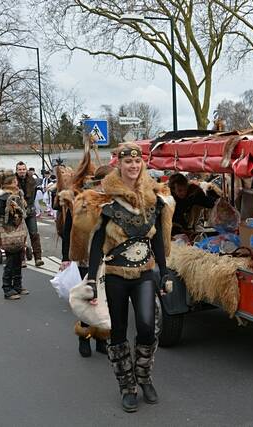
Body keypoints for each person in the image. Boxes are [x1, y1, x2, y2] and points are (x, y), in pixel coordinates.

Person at [87, 142, 174, 413]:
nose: (133, 167)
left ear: (142, 164)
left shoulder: (153, 198)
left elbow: (158, 238)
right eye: (128, 162)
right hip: (115, 275)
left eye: (137, 162)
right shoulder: (106, 201)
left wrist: (164, 270)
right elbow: (96, 242)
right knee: (120, 330)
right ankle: (127, 386)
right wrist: (91, 279)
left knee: (148, 328)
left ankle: (144, 377)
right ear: (119, 165)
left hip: (145, 272)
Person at [58, 161, 112, 358]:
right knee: (89, 298)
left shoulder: (115, 200)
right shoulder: (83, 201)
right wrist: (66, 257)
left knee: (105, 301)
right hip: (87, 258)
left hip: (109, 259)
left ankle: (102, 338)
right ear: (101, 181)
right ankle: (84, 337)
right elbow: (69, 230)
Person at [0, 171, 29, 300]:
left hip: (17, 232)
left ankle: (17, 286)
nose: (17, 183)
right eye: (15, 181)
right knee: (10, 261)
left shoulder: (17, 195)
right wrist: (12, 211)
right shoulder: (4, 197)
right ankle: (7, 288)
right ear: (11, 183)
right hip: (9, 232)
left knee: (19, 259)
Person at [16, 161, 44, 267]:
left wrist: (43, 209)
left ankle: (38, 258)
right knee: (20, 236)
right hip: (18, 212)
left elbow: (41, 197)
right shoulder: (13, 181)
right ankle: (22, 259)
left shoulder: (33, 180)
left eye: (23, 169)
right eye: (20, 169)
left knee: (34, 234)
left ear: (26, 170)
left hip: (30, 211)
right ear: (17, 170)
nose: (22, 171)